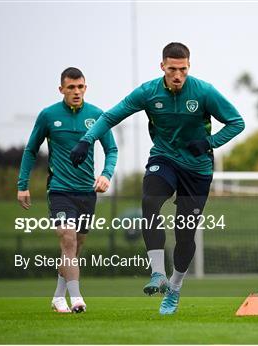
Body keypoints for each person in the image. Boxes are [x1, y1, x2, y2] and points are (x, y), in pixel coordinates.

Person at [70, 42, 245, 315]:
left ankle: (174, 287)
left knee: (185, 235)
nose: (178, 75)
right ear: (162, 66)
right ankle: (157, 274)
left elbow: (237, 122)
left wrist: (210, 142)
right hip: (164, 159)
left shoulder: (204, 91)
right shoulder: (148, 92)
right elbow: (111, 116)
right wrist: (86, 140)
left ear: (189, 67)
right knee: (150, 201)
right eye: (172, 69)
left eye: (183, 69)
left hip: (197, 170)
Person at [17, 67, 118, 313]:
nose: (76, 91)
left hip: (86, 192)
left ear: (86, 88)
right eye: (71, 87)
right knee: (68, 240)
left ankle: (58, 296)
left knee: (76, 246)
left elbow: (111, 150)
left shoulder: (97, 116)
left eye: (80, 87)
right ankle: (77, 299)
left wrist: (106, 174)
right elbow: (31, 150)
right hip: (60, 189)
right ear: (61, 89)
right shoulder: (48, 116)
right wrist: (23, 185)